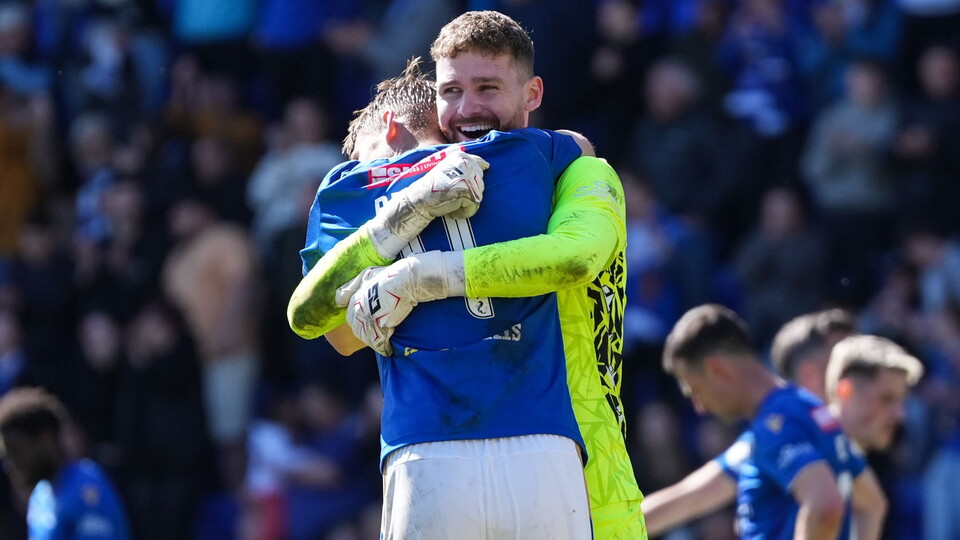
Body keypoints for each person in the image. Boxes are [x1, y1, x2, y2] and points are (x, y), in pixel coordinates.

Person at [293, 11, 646, 538]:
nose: (466, 111)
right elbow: (339, 335)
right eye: (451, 92)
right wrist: (406, 212)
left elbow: (574, 256)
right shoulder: (536, 157)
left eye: (486, 88)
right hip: (539, 447)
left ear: (532, 93)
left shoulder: (576, 172)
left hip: (583, 460)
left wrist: (418, 271)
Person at [653, 304, 884, 539]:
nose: (700, 407)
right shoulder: (806, 411)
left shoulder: (775, 426)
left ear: (716, 370)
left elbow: (825, 505)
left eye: (696, 390)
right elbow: (872, 504)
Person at [0, 387, 130, 540]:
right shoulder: (41, 495)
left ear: (45, 439)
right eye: (6, 455)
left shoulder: (85, 489)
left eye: (17, 451)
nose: (10, 464)